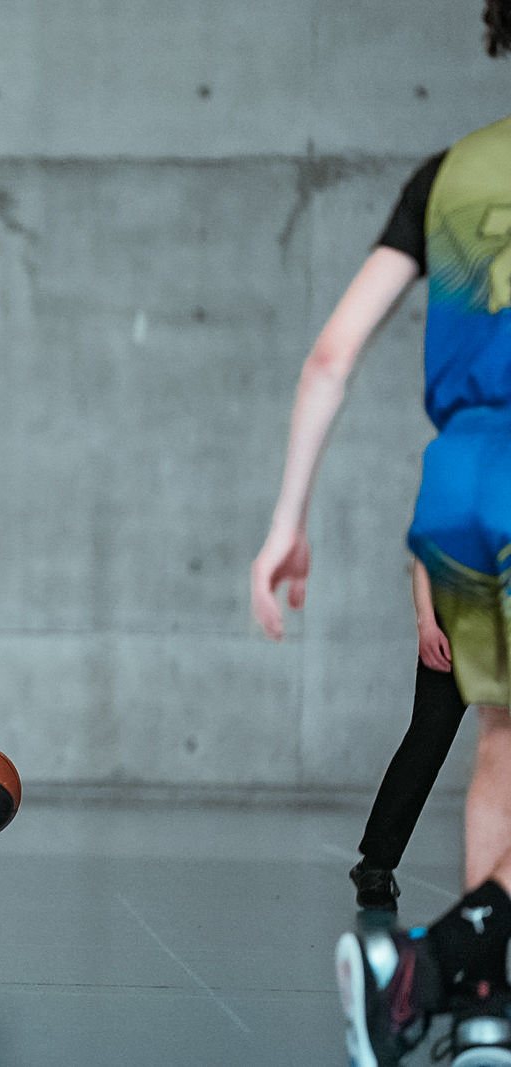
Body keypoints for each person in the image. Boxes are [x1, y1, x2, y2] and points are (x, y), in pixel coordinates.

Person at [252, 10, 511, 1058]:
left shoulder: (447, 175)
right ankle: (429, 963)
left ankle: (484, 1006)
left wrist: (287, 520)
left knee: (500, 741)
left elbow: (330, 357)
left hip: (461, 482)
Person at [349, 561, 468, 912]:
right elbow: (426, 554)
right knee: (428, 737)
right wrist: (426, 623)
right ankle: (376, 866)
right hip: (457, 616)